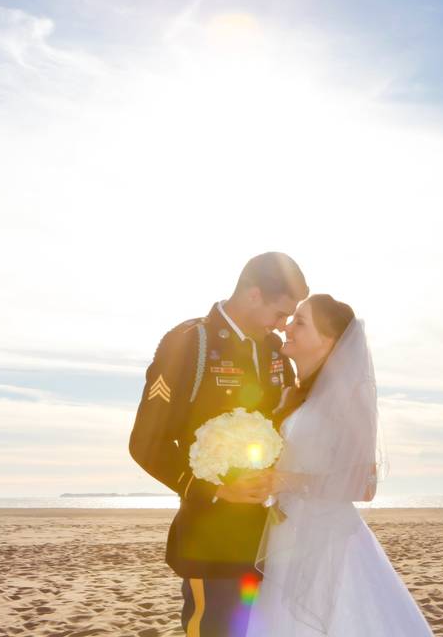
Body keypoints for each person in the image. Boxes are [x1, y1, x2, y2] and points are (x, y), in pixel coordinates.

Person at [129, 252, 309, 637]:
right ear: (253, 295)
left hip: (268, 537)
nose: (283, 327)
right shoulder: (189, 344)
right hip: (211, 537)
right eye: (280, 314)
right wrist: (217, 488)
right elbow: (146, 442)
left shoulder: (275, 352)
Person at [246, 295, 435, 636]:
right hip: (286, 534)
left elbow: (365, 485)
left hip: (329, 539)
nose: (288, 326)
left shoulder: (352, 397)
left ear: (329, 341)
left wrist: (287, 481)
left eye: (300, 322)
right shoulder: (294, 395)